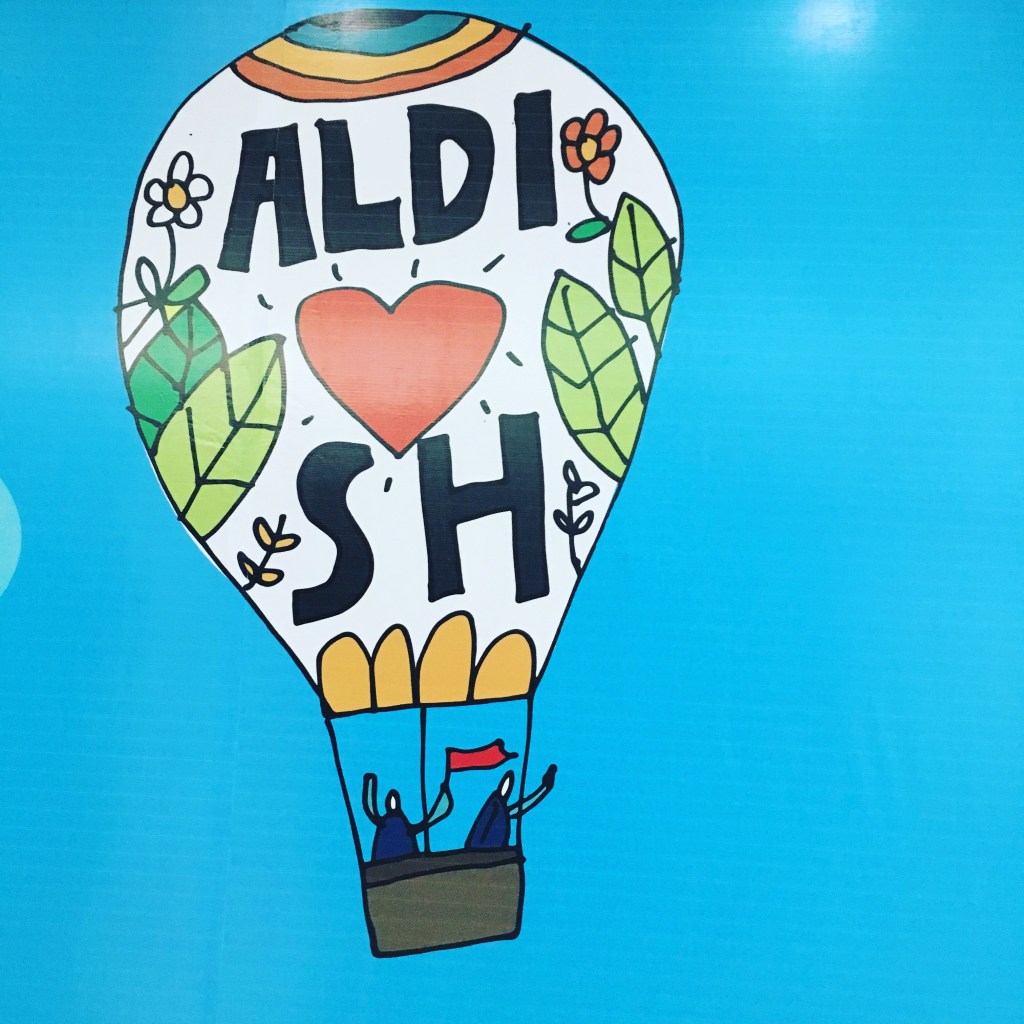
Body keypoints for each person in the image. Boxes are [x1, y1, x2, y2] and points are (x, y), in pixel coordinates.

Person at [362, 773, 453, 862]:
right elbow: (371, 809)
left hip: (407, 858)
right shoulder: (386, 823)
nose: (393, 805)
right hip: (385, 859)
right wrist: (368, 784)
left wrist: (369, 783)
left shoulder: (399, 823)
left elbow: (424, 824)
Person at [465, 764, 557, 850]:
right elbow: (517, 809)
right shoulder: (495, 807)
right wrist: (544, 788)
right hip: (485, 848)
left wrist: (544, 788)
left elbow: (517, 809)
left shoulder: (496, 807)